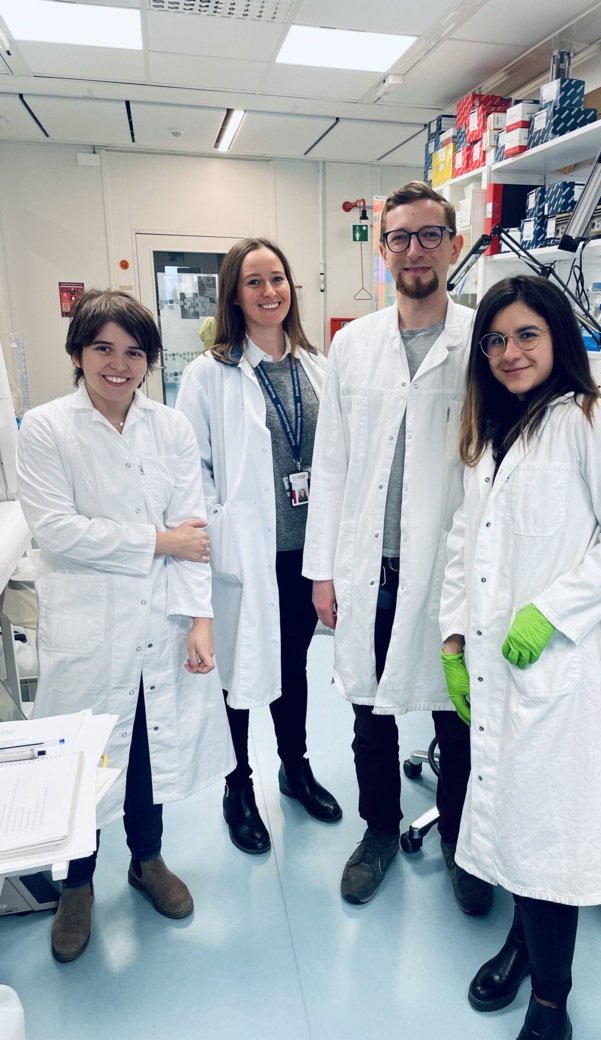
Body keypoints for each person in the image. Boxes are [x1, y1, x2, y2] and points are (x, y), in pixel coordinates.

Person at [439, 275, 601, 1040]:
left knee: (548, 833)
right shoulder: (488, 429)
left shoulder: (590, 422)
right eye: (495, 340)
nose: (509, 352)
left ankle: (552, 1001)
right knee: (506, 820)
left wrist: (552, 612)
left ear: (558, 339)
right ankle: (521, 944)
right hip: (495, 667)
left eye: (526, 335)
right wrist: (455, 637)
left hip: (551, 672)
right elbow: (465, 542)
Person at [16, 289, 234, 963]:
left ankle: (147, 862)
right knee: (86, 761)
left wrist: (200, 621)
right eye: (103, 348)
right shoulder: (48, 429)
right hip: (89, 628)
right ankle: (77, 885)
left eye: (134, 352)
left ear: (149, 359)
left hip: (161, 620)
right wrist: (158, 542)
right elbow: (57, 532)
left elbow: (195, 532)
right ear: (78, 354)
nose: (119, 364)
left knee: (146, 749)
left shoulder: (169, 427)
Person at [302, 180, 492, 915]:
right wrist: (323, 571)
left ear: (452, 244)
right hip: (369, 570)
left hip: (448, 574)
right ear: (382, 251)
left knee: (455, 714)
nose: (415, 249)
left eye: (429, 235)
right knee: (369, 714)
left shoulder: (484, 337)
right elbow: (333, 463)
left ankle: (462, 847)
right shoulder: (353, 344)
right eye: (400, 237)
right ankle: (379, 831)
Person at [176, 237, 341, 857]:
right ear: (233, 294)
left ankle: (293, 770)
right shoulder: (208, 373)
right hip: (246, 557)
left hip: (306, 554)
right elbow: (191, 467)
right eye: (255, 282)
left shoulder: (317, 366)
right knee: (239, 673)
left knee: (292, 665)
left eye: (279, 278)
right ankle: (236, 784)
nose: (270, 292)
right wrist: (222, 531)